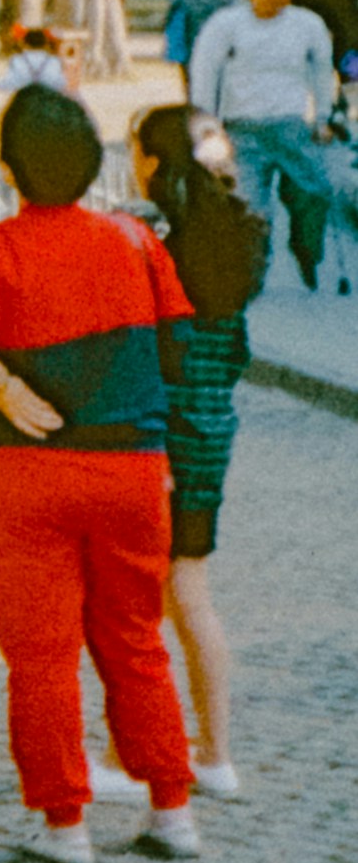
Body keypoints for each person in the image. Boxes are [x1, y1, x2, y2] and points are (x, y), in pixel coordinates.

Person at [0, 84, 199, 863]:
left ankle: (63, 823)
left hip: (30, 474)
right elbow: (179, 349)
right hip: (133, 471)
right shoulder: (136, 245)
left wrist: (0, 380)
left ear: (7, 169)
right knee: (136, 640)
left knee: (38, 654)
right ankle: (171, 808)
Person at [130, 101, 268, 799]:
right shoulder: (240, 236)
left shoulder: (159, 244)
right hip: (212, 428)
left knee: (147, 601)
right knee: (189, 590)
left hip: (161, 432)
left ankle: (159, 750)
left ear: (155, 161)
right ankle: (212, 747)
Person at [188, 0, 347, 284]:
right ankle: (253, 267)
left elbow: (321, 70)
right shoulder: (227, 24)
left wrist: (323, 118)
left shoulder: (307, 24)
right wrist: (206, 121)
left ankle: (307, 250)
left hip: (292, 125)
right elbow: (205, 70)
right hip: (242, 127)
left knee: (313, 193)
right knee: (248, 205)